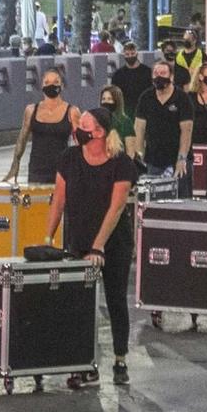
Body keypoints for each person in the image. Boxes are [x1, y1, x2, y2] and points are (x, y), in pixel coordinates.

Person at [46, 108, 141, 387]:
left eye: (84, 125)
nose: (78, 129)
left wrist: (98, 248)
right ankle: (84, 364)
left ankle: (120, 358)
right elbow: (58, 201)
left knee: (115, 300)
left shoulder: (121, 164)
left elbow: (116, 208)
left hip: (113, 243)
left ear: (99, 132)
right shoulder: (69, 159)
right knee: (79, 304)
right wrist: (47, 238)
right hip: (79, 239)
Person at [3, 66, 74, 185]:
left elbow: (81, 142)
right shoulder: (31, 110)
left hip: (62, 171)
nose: (51, 85)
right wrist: (15, 164)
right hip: (37, 171)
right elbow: (22, 138)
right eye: (47, 82)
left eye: (56, 82)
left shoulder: (72, 111)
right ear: (42, 86)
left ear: (62, 85)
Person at [132, 60, 190, 180]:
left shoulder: (182, 98)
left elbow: (186, 131)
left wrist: (182, 159)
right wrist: (139, 158)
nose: (159, 76)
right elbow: (139, 129)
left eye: (163, 73)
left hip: (177, 160)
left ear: (172, 77)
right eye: (156, 73)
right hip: (153, 161)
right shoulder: (146, 97)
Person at [111, 42, 153, 108]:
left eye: (132, 53)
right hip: (125, 110)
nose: (130, 56)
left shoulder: (148, 72)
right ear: (124, 55)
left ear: (137, 53)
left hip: (144, 108)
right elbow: (114, 95)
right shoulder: (118, 75)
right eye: (127, 54)